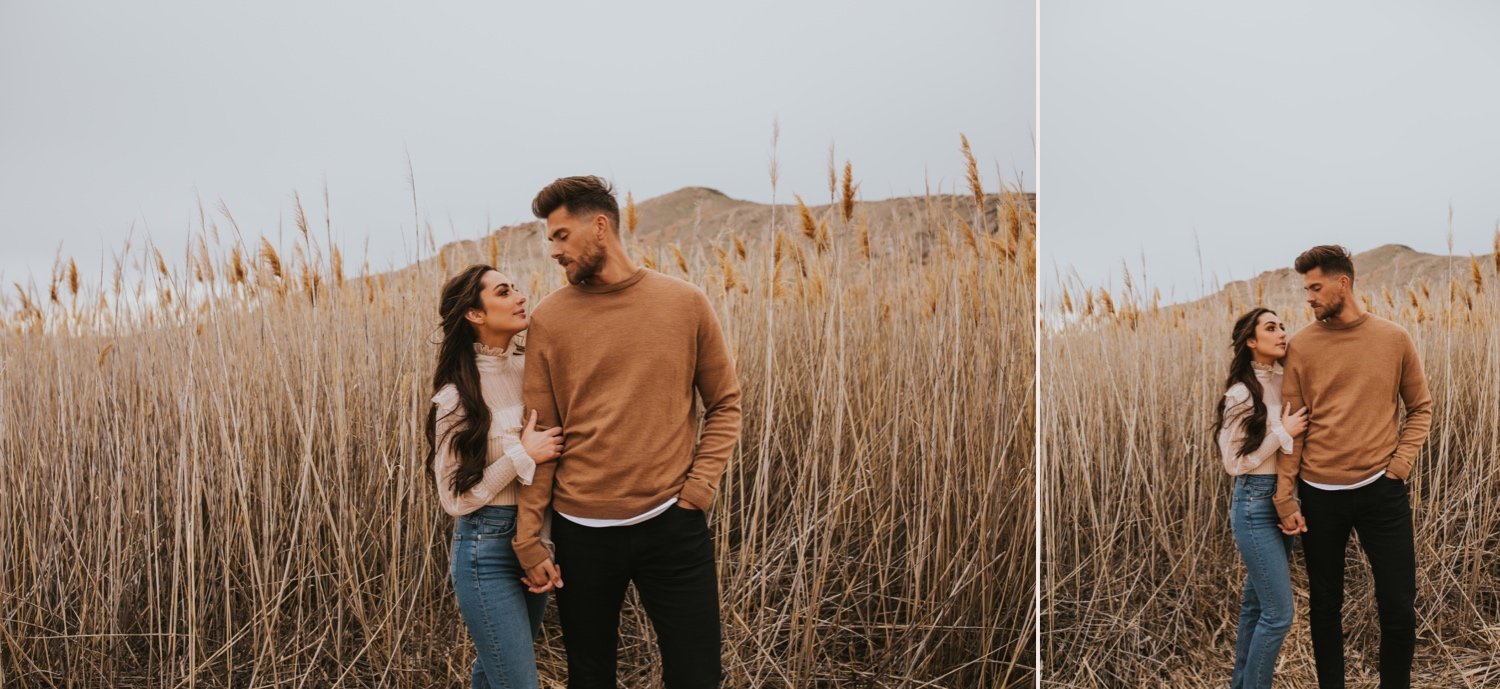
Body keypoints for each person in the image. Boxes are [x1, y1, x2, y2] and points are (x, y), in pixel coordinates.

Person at [513, 175, 742, 689]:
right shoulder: (549, 319)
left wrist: (698, 490)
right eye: (550, 239)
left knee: (698, 675)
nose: (553, 251)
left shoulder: (685, 302)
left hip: (672, 525)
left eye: (561, 235)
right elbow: (541, 436)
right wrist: (529, 538)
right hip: (581, 532)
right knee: (590, 678)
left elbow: (725, 404)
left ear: (600, 227)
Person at [1274, 245, 1433, 689]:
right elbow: (1294, 428)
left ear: (1343, 284)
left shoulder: (1394, 338)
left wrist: (1399, 465)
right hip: (1320, 495)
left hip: (1382, 492)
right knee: (1325, 606)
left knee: (1398, 605)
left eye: (1316, 287)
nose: (1309, 297)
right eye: (1306, 288)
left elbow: (1420, 407)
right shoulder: (1301, 346)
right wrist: (1285, 494)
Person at [427, 264, 565, 689]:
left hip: (533, 538)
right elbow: (454, 499)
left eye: (516, 287)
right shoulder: (454, 397)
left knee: (495, 674)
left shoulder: (533, 372)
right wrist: (522, 454)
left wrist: (542, 544)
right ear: (475, 314)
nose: (520, 296)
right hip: (485, 551)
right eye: (504, 292)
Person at [1215, 307, 1308, 689]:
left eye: (1283, 325)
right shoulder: (1240, 393)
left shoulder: (1287, 381)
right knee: (1278, 614)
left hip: (1282, 500)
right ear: (1251, 341)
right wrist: (1281, 432)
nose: (1282, 332)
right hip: (1254, 505)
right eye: (1271, 327)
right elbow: (1234, 463)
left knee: (1256, 607)